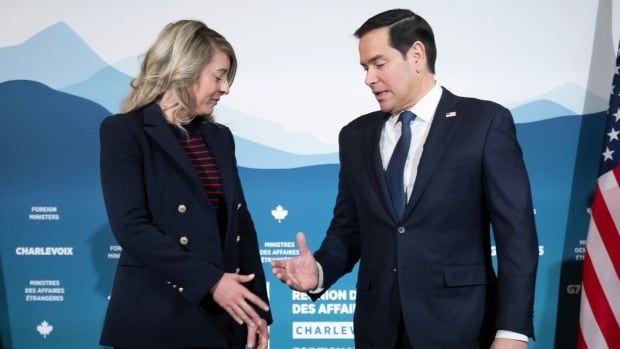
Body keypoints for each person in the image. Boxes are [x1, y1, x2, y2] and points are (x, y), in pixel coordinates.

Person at [272, 9, 538, 349]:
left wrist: (512, 330)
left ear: (416, 55)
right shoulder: (355, 136)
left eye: (378, 64)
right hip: (378, 329)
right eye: (364, 68)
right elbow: (349, 229)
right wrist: (320, 272)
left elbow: (517, 236)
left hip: (462, 327)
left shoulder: (484, 123)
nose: (368, 78)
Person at [99, 20, 271, 349]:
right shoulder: (124, 132)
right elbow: (131, 227)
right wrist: (211, 281)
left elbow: (241, 228)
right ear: (185, 70)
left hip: (222, 320)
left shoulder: (220, 138)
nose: (226, 88)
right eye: (218, 76)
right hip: (157, 319)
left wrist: (257, 312)